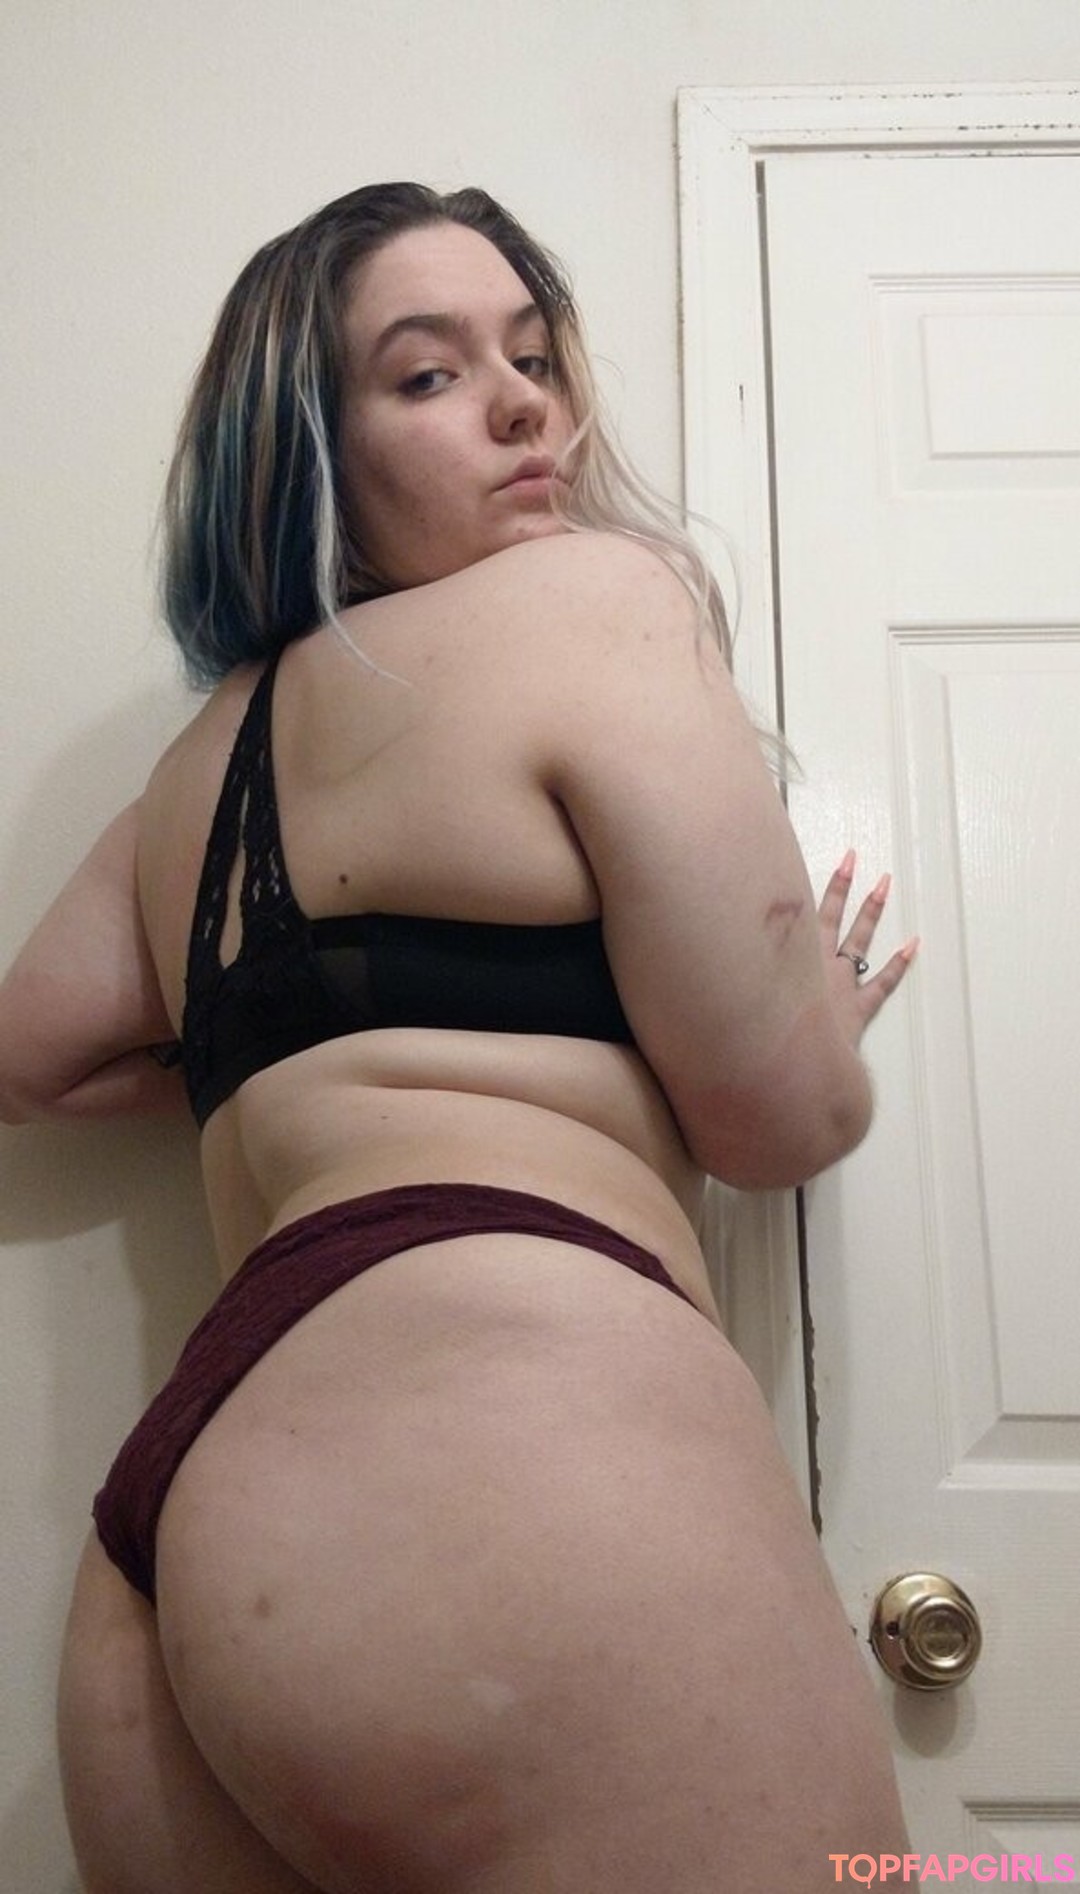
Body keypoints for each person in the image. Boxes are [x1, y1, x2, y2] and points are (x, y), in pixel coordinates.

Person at [0, 182, 914, 1892]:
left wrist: (304, 1035)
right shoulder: (596, 599)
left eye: (532, 356)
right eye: (427, 374)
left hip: (172, 1533)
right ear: (308, 455)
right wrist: (813, 1023)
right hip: (503, 1439)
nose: (519, 407)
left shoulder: (185, 780)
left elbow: (27, 1060)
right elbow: (780, 1118)